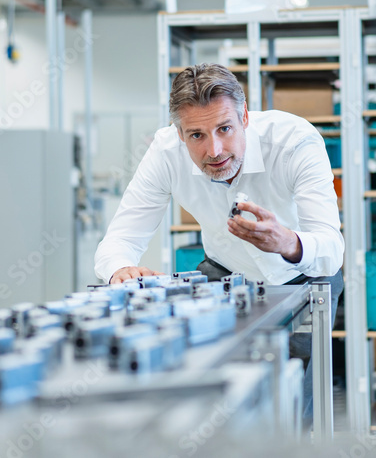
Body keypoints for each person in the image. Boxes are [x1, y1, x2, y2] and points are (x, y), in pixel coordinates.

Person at [94, 63, 344, 420]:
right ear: (179, 133)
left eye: (225, 128)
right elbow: (120, 237)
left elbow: (330, 250)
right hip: (227, 275)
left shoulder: (294, 141)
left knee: (294, 399)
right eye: (196, 135)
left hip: (307, 276)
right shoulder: (165, 152)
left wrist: (287, 242)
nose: (214, 150)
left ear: (244, 116)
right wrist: (121, 268)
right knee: (214, 390)